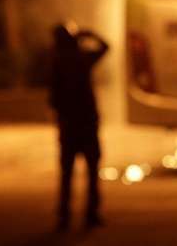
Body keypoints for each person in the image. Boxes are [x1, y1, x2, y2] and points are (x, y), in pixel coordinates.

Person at [48, 23, 108, 231]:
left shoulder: (57, 62)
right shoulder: (82, 58)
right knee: (92, 171)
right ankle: (91, 214)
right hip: (87, 124)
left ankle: (64, 217)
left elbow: (53, 98)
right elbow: (105, 47)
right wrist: (89, 34)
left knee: (67, 174)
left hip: (69, 126)